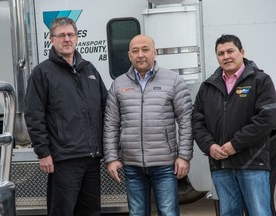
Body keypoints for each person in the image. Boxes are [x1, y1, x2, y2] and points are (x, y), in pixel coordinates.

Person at [24, 17, 108, 216]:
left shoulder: (89, 69)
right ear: (52, 40)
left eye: (70, 34)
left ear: (77, 38)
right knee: (62, 211)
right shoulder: (42, 73)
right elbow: (34, 115)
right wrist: (43, 153)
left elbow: (105, 107)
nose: (67, 39)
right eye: (61, 35)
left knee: (91, 211)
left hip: (92, 157)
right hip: (64, 159)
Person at [103, 34, 193, 216]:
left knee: (168, 213)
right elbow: (111, 124)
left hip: (165, 164)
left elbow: (185, 120)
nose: (140, 55)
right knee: (137, 213)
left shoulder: (173, 80)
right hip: (132, 165)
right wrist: (112, 158)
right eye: (135, 51)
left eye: (145, 49)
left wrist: (184, 156)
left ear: (155, 52)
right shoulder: (118, 84)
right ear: (129, 55)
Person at [192, 34, 276, 216]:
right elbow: (197, 121)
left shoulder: (260, 80)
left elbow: (267, 119)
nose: (226, 56)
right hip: (221, 164)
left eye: (230, 51)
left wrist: (235, 144)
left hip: (253, 164)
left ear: (242, 52)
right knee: (229, 212)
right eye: (220, 53)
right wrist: (209, 146)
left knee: (260, 212)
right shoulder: (208, 86)